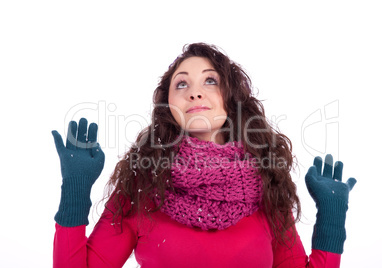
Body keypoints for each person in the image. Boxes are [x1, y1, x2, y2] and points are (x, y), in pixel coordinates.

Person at [52, 43, 357, 267]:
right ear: (168, 106)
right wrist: (75, 191)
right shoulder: (142, 183)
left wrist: (331, 219)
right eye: (181, 84)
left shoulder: (267, 184)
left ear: (230, 96)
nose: (195, 93)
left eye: (210, 80)